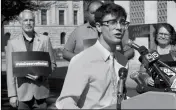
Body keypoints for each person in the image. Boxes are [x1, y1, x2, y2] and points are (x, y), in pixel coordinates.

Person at [55, 3, 129, 109]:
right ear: (99, 27)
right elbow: (66, 102)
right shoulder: (82, 60)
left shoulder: (122, 60)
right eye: (112, 22)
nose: (119, 27)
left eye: (122, 23)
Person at [6, 9, 56, 109]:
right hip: (21, 95)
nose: (28, 23)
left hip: (41, 93)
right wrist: (12, 95)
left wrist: (41, 75)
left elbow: (53, 64)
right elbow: (10, 71)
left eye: (31, 20)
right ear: (20, 22)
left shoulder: (45, 40)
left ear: (34, 21)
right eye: (25, 20)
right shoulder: (12, 43)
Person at [139, 23, 176, 90]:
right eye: (160, 34)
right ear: (156, 35)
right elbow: (142, 72)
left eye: (166, 34)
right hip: (156, 90)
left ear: (171, 36)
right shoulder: (150, 53)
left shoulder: (175, 52)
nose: (163, 36)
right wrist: (146, 78)